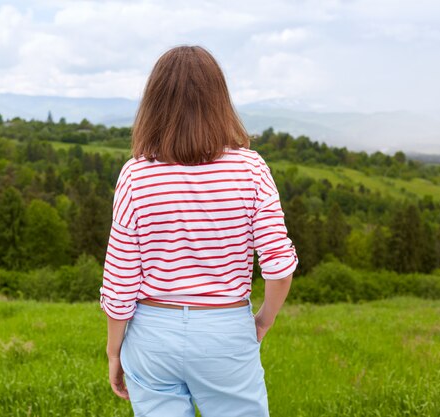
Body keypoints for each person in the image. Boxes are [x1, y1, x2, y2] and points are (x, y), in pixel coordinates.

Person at [99, 45, 298, 417]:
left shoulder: (135, 174)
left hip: (151, 335)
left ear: (154, 103)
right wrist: (264, 320)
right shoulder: (251, 169)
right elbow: (279, 265)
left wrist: (115, 351)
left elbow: (120, 279)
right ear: (219, 100)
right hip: (226, 331)